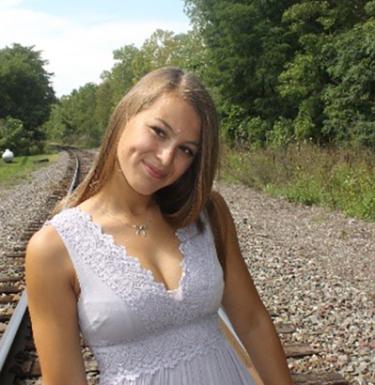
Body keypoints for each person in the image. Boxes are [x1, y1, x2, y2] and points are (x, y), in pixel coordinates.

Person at [25, 67, 293, 385]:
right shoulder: (54, 248)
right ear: (126, 116)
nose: (166, 158)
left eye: (186, 150)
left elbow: (252, 322)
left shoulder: (207, 214)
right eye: (159, 131)